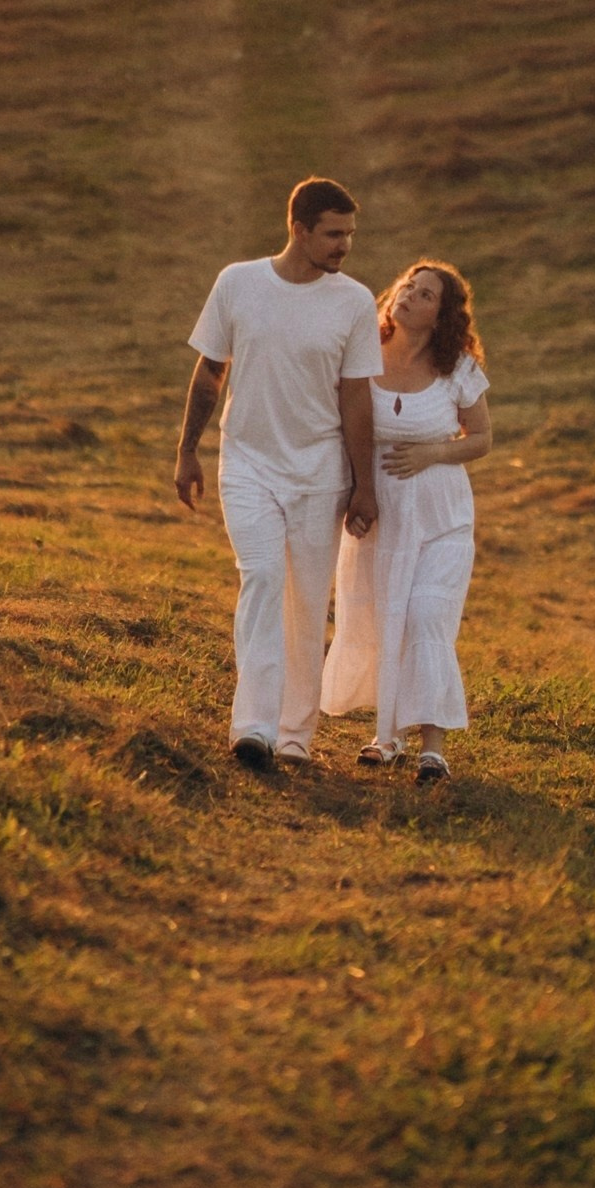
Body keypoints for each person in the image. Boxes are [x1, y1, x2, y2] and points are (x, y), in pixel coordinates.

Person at [176, 178, 382, 771]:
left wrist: (364, 485)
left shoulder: (354, 302)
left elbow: (356, 397)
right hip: (248, 461)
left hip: (320, 473)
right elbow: (210, 371)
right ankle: (254, 727)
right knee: (262, 578)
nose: (344, 245)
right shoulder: (238, 282)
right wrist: (187, 450)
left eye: (350, 234)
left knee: (307, 603)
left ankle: (295, 734)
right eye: (333, 234)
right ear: (298, 229)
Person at [321, 259, 492, 783]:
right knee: (384, 619)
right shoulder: (361, 352)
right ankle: (387, 735)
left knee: (426, 619)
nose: (408, 296)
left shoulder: (457, 368)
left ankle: (433, 750)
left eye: (425, 295)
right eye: (407, 287)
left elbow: (482, 438)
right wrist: (353, 495)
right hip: (381, 513)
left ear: (442, 316)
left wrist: (432, 452)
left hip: (442, 517)